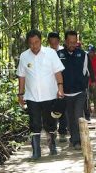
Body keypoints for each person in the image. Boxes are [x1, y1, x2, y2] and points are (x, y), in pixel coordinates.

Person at [16, 29, 65, 159]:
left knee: (50, 122)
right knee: (34, 123)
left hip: (49, 95)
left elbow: (58, 72)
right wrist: (20, 94)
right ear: (28, 43)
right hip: (32, 97)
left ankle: (52, 144)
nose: (34, 46)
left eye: (36, 42)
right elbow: (21, 76)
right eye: (31, 43)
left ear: (41, 40)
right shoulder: (24, 56)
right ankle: (36, 151)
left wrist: (60, 88)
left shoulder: (50, 53)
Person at [57, 31, 95, 150]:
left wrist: (90, 84)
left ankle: (78, 141)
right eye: (70, 42)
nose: (72, 45)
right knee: (70, 118)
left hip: (79, 92)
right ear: (65, 42)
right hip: (65, 93)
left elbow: (89, 71)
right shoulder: (59, 55)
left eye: (74, 42)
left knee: (78, 115)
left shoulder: (83, 54)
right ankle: (73, 139)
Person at [47, 32, 68, 143]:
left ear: (59, 41)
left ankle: (63, 132)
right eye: (51, 43)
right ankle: (52, 130)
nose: (54, 45)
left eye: (55, 42)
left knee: (62, 110)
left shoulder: (63, 53)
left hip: (62, 86)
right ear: (48, 42)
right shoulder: (45, 53)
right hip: (50, 86)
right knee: (51, 110)